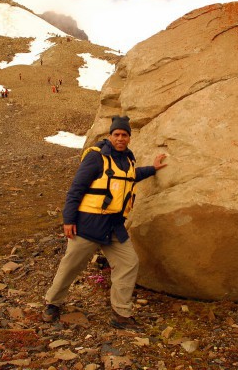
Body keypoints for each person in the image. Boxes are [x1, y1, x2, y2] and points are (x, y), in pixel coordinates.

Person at [42, 116, 168, 330]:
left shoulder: (128, 159)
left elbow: (129, 177)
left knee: (129, 263)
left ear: (129, 137)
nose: (120, 138)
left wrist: (153, 169)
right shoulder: (96, 157)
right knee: (71, 266)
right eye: (116, 134)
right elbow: (76, 189)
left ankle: (121, 314)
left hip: (114, 226)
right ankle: (52, 303)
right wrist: (68, 220)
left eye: (124, 135)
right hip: (88, 225)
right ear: (110, 136)